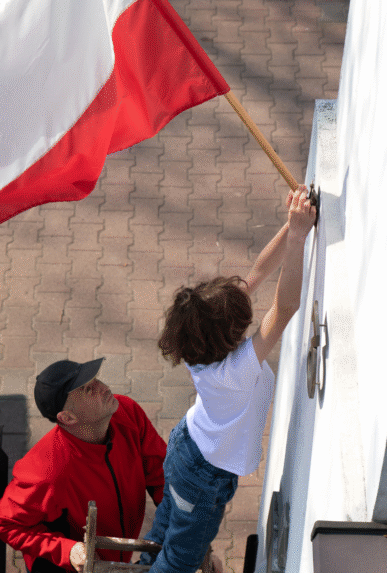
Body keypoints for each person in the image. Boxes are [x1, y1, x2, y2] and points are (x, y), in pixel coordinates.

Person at [141, 186, 317, 572]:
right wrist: (300, 238)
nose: (249, 310)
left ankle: (142, 565)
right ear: (226, 333)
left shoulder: (198, 345)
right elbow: (285, 307)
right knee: (180, 560)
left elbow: (256, 273)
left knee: (167, 526)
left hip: (190, 452)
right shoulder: (234, 371)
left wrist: (292, 227)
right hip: (201, 472)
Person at [0, 358, 166, 572]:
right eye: (88, 390)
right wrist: (67, 550)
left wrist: (192, 540)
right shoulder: (45, 469)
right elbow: (5, 523)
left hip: (115, 558)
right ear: (68, 417)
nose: (103, 388)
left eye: (96, 380)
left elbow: (164, 478)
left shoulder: (128, 413)